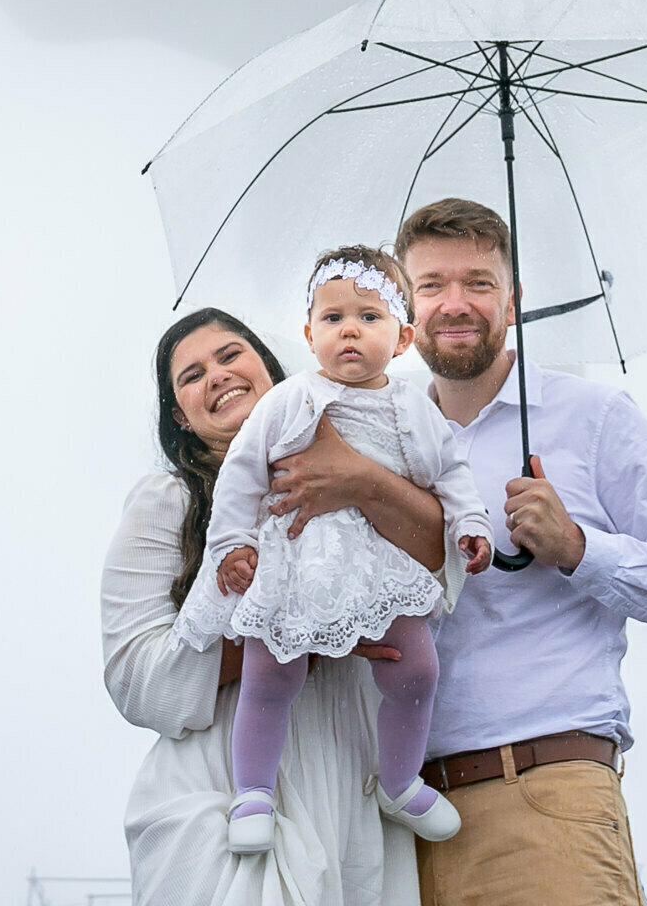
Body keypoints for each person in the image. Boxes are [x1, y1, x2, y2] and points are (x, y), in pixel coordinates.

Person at [394, 199, 647, 906]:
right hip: (393, 829)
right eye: (431, 286)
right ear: (405, 307)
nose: (454, 304)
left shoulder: (593, 417)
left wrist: (580, 548)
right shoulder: (384, 441)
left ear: (513, 300)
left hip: (541, 801)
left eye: (479, 283)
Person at [101, 307, 463, 906]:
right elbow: (134, 679)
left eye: (229, 355)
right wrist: (293, 632)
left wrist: (364, 483)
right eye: (191, 376)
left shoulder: (366, 465)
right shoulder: (164, 502)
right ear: (180, 417)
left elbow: (443, 574)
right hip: (219, 792)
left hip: (350, 785)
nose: (215, 376)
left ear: (273, 371)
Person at [173, 247, 495, 853]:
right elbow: (242, 476)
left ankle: (399, 782)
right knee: (271, 677)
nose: (349, 330)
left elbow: (452, 474)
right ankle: (253, 792)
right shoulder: (288, 399)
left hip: (380, 563)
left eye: (369, 318)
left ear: (402, 338)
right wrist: (233, 545)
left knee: (417, 668)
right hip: (298, 558)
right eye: (333, 318)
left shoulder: (414, 409)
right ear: (308, 333)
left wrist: (470, 526)